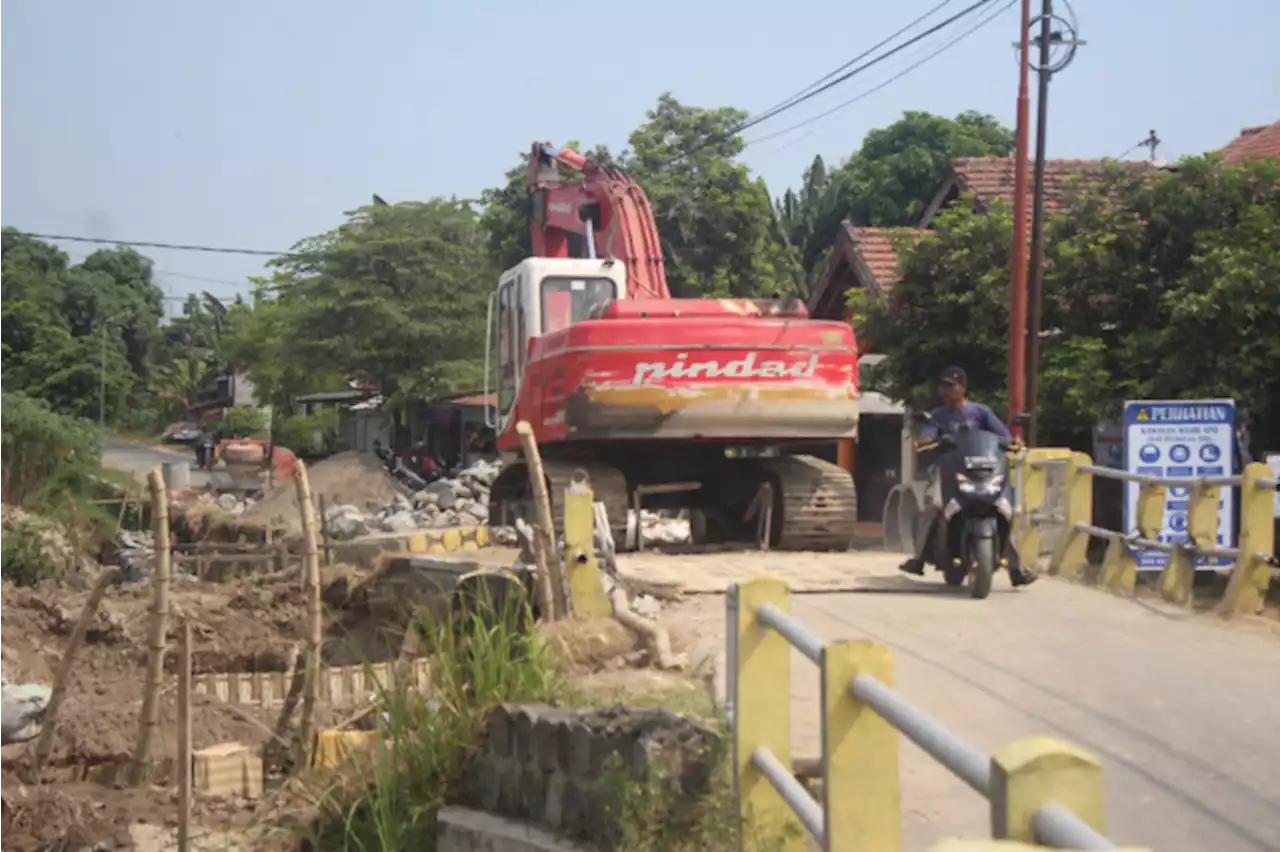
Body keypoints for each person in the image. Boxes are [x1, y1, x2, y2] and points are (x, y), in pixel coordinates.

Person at [899, 366, 1034, 586]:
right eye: (943, 386)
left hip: (981, 471)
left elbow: (1003, 436)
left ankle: (1017, 568)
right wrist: (925, 440)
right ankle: (919, 558)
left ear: (963, 387)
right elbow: (928, 434)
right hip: (947, 470)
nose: (945, 391)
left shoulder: (980, 412)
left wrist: (1014, 443)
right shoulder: (938, 416)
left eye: (950, 386)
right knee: (933, 506)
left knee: (1006, 509)